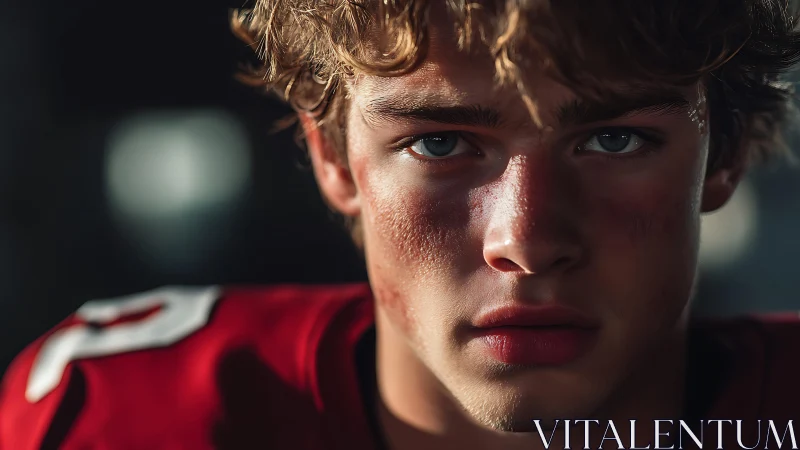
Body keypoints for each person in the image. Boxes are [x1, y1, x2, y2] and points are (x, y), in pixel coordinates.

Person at [2, 1, 800, 449]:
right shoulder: (122, 418)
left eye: (614, 140)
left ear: (724, 154)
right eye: (440, 143)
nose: (524, 241)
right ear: (333, 158)